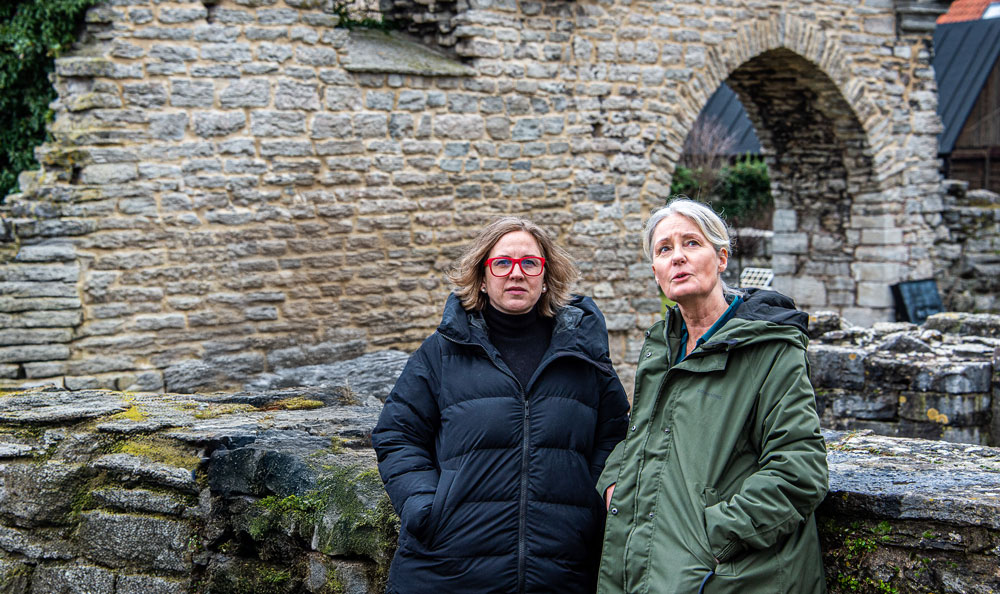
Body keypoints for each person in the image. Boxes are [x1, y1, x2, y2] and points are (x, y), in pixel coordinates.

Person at [373, 216, 630, 593]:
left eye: (530, 263)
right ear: (482, 276)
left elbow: (615, 435)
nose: (516, 273)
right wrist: (425, 506)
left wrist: (585, 504)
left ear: (545, 279)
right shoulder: (443, 353)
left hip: (560, 569)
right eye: (502, 263)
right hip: (449, 570)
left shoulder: (584, 355)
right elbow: (397, 434)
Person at [597, 198, 829, 593]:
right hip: (650, 566)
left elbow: (799, 467)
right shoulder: (662, 347)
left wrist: (714, 536)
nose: (678, 257)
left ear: (721, 257)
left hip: (726, 577)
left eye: (692, 243)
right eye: (664, 249)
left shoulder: (769, 348)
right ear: (655, 271)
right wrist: (615, 480)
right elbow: (643, 434)